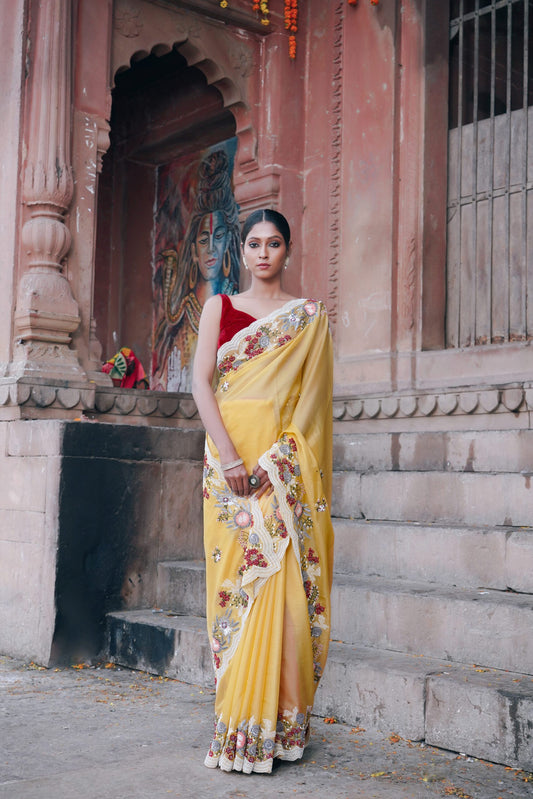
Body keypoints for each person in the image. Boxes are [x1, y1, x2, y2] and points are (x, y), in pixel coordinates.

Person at [192, 209, 334, 773]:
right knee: (234, 586)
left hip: (280, 468)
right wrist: (228, 457)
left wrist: (277, 464)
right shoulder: (218, 309)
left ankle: (276, 727)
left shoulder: (307, 319)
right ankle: (238, 723)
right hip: (225, 465)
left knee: (281, 589)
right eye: (254, 243)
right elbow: (202, 383)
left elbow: (312, 409)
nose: (263, 253)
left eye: (274, 243)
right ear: (243, 252)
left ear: (288, 250)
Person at [153, 149, 241, 391]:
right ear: (193, 251)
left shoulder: (241, 309)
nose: (211, 248)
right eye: (203, 240)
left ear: (230, 244)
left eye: (219, 236)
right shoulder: (179, 324)